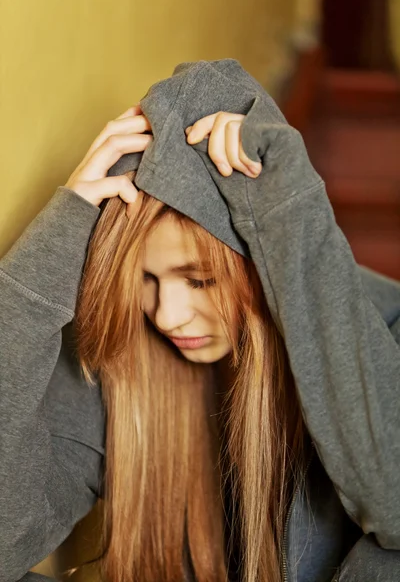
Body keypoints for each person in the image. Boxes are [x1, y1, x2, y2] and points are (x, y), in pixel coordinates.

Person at [1, 59, 400, 582]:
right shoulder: (114, 363)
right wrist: (37, 272)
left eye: (199, 280)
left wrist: (290, 216)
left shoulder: (386, 321)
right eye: (145, 279)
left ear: (262, 266)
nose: (166, 315)